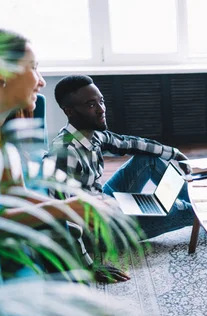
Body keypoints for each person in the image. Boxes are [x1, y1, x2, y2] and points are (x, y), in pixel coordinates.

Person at [0, 27, 148, 316]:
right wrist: (67, 208)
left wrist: (65, 208)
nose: (40, 81)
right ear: (2, 75)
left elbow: (15, 193)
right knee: (57, 225)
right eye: (34, 67)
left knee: (57, 221)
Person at [46, 75, 194, 240]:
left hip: (102, 200)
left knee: (146, 160)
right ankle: (204, 212)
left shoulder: (93, 135)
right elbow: (62, 216)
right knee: (182, 211)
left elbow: (128, 143)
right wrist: (86, 262)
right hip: (98, 231)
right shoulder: (64, 153)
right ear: (69, 111)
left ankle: (197, 198)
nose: (101, 109)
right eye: (91, 105)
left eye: (101, 101)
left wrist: (173, 153)